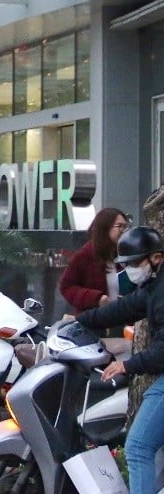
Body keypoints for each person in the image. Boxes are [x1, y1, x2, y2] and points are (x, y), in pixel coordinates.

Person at [75, 226, 164, 494]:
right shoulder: (154, 288)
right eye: (127, 264)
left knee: (138, 446)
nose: (131, 270)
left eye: (136, 262)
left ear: (157, 258)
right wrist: (76, 323)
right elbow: (121, 309)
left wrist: (126, 365)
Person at [59, 207, 129, 314]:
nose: (124, 230)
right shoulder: (84, 256)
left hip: (122, 320)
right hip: (93, 321)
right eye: (119, 226)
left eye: (125, 226)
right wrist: (96, 298)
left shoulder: (124, 255)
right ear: (105, 228)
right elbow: (66, 287)